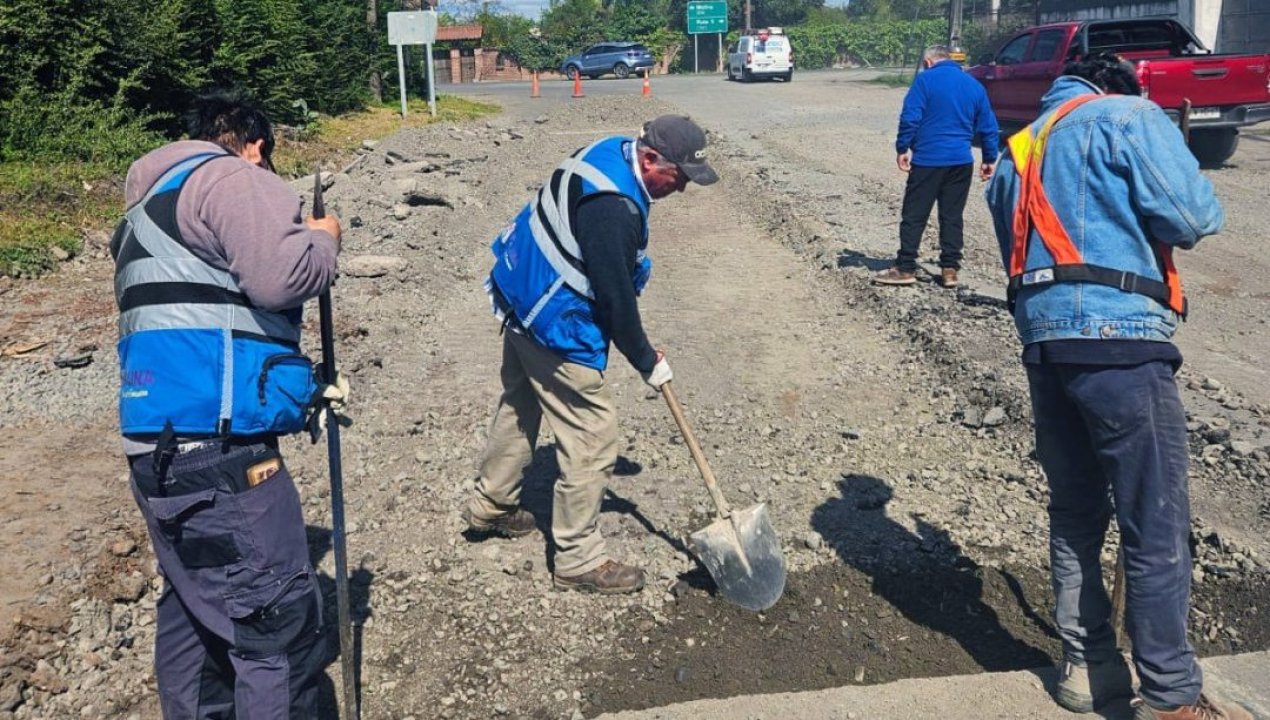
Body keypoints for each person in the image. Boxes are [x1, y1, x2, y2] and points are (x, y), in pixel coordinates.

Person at [985, 55, 1244, 720]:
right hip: (1121, 342)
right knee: (1154, 522)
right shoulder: (1126, 116)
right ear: (1120, 85)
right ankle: (1172, 697)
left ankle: (1087, 667)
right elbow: (1192, 218)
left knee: (1075, 515)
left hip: (1044, 345)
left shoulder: (1019, 150)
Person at [111, 89, 345, 718]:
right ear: (256, 145)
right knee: (280, 630)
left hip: (156, 447)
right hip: (222, 454)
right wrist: (324, 239)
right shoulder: (233, 177)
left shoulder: (145, 209)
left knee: (195, 611)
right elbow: (281, 277)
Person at [463, 115, 718, 594]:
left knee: (521, 406)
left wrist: (640, 347)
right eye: (678, 177)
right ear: (649, 159)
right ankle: (578, 558)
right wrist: (646, 359)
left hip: (519, 288)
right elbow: (614, 299)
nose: (681, 189)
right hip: (550, 317)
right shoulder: (614, 210)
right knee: (593, 434)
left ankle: (490, 505)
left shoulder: (614, 150)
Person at [875, 45, 999, 289]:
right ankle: (950, 269)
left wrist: (902, 148)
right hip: (961, 162)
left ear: (928, 62)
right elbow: (988, 125)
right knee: (952, 216)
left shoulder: (925, 82)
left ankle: (905, 267)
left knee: (914, 215)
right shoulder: (973, 85)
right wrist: (989, 158)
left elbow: (911, 116)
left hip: (928, 161)